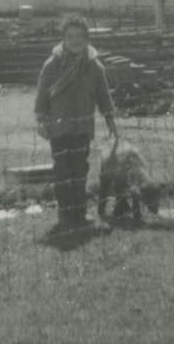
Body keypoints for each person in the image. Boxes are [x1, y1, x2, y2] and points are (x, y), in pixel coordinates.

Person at [34, 14, 118, 231]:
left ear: (87, 38)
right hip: (59, 129)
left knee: (80, 170)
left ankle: (79, 212)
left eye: (80, 36)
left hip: (82, 129)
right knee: (62, 171)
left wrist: (110, 120)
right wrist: (41, 119)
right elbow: (42, 96)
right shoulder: (52, 65)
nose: (75, 41)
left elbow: (104, 96)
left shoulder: (94, 67)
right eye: (70, 36)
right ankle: (65, 214)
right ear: (63, 38)